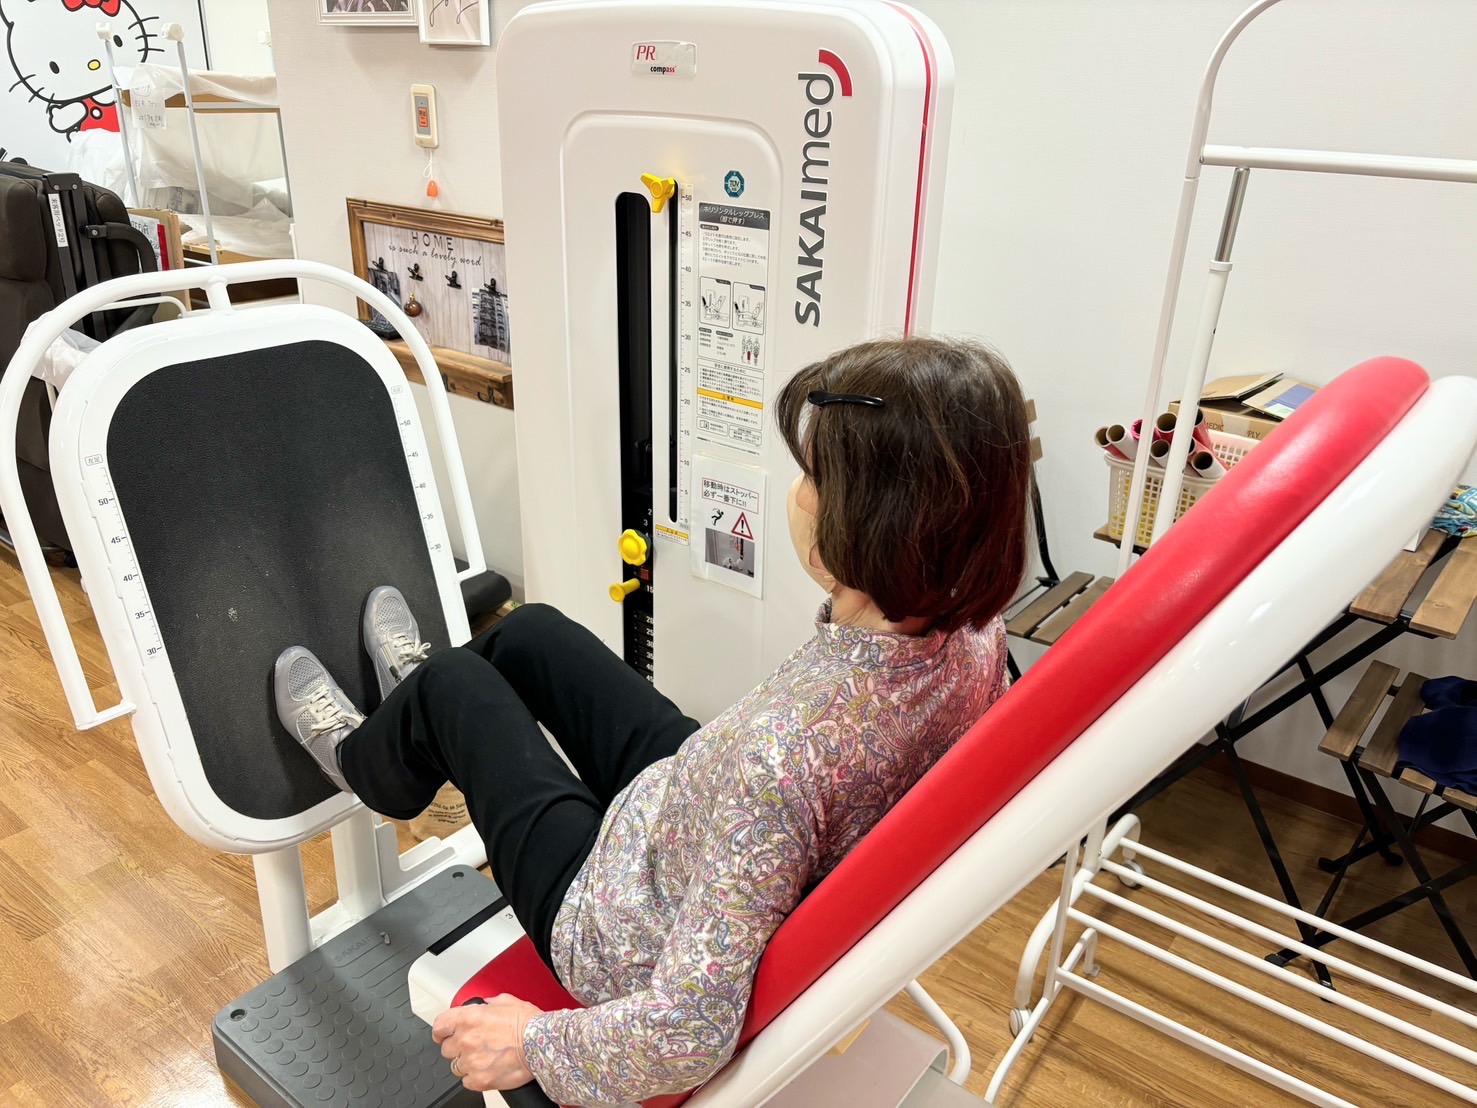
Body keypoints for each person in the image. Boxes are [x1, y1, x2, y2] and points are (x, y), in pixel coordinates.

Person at [272, 336, 1033, 1107]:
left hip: (616, 925)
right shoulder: (977, 636)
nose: (798, 494)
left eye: (814, 476)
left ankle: (367, 761)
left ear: (881, 519)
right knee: (529, 633)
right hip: (701, 815)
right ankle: (410, 726)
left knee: (452, 682)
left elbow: (686, 1031)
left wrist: (532, 1043)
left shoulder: (782, 762)